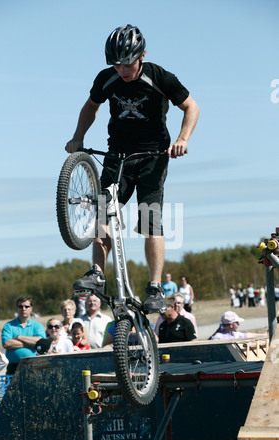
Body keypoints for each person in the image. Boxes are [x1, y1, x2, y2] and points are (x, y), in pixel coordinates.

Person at [66, 24, 199, 315]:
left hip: (154, 155)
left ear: (142, 56)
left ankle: (154, 286)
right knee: (103, 211)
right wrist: (78, 137)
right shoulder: (107, 78)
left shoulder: (160, 76)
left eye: (127, 63)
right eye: (117, 63)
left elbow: (191, 107)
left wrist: (182, 139)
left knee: (149, 219)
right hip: (117, 154)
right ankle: (97, 272)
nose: (122, 69)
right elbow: (91, 106)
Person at [1, 296, 46, 374]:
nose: (23, 309)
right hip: (13, 367)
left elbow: (42, 342)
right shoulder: (8, 326)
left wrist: (19, 337)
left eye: (26, 306)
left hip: (34, 366)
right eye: (20, 306)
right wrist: (31, 343)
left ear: (31, 308)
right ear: (17, 308)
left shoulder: (38, 326)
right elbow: (6, 344)